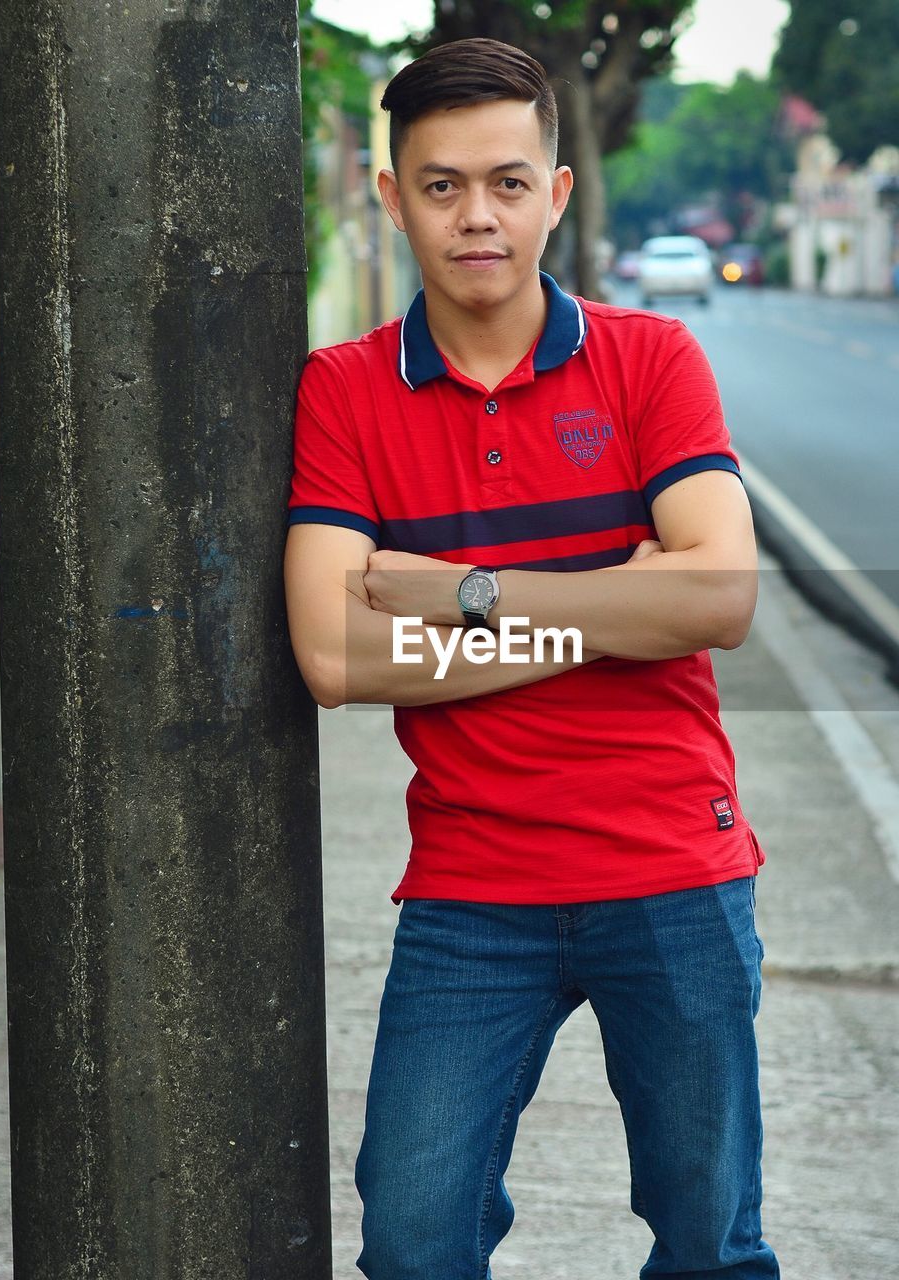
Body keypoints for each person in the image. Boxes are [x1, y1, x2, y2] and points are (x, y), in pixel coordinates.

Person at [283, 36, 779, 1280]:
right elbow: (336, 650)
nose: (477, 215)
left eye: (508, 182)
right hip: (472, 887)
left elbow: (718, 593)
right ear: (391, 198)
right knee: (409, 1236)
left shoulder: (649, 361)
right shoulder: (344, 392)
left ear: (556, 192)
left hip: (670, 864)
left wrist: (469, 595)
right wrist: (604, 610)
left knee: (708, 1239)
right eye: (441, 185)